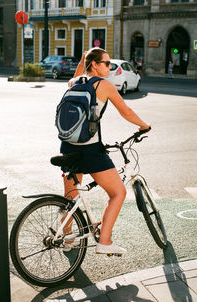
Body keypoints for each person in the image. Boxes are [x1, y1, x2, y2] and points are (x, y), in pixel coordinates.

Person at [61, 47, 150, 255]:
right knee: (118, 192)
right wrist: (143, 126)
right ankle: (105, 241)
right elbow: (126, 111)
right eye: (107, 63)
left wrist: (82, 60)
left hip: (67, 146)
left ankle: (66, 238)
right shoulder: (105, 85)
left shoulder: (75, 83)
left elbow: (73, 78)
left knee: (70, 196)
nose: (110, 67)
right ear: (95, 65)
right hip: (90, 150)